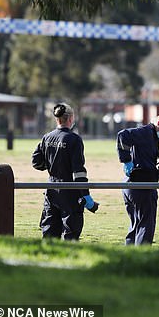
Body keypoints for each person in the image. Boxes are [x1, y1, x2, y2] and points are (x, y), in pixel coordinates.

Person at [32, 102, 98, 240]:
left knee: (49, 232)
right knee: (70, 233)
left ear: (57, 119)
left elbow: (36, 162)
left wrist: (51, 165)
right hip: (70, 191)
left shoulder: (47, 137)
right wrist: (86, 196)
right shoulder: (74, 139)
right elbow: (79, 172)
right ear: (70, 118)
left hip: (51, 190)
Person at [117, 109, 159, 245]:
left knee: (136, 225)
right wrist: (126, 160)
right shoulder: (145, 133)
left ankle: (129, 257)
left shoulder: (152, 136)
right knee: (146, 226)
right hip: (142, 186)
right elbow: (122, 136)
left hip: (132, 185)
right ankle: (142, 257)